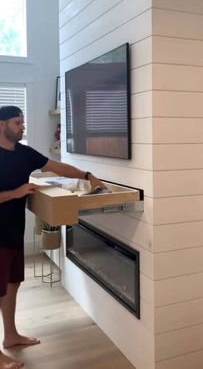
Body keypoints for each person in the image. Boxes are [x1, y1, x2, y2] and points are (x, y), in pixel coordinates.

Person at [0, 105, 105, 369]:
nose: (22, 127)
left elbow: (57, 167)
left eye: (23, 122)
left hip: (12, 230)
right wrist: (17, 192)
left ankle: (11, 336)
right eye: (17, 123)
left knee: (12, 284)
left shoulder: (24, 154)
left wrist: (87, 176)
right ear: (1, 125)